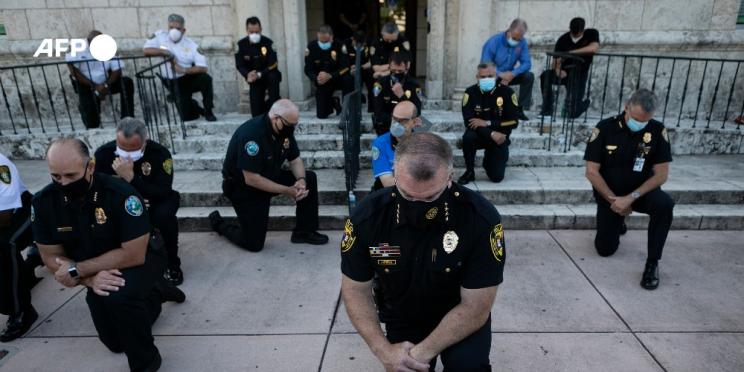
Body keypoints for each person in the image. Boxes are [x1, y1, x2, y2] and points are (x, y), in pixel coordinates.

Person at [341, 132, 505, 371]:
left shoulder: (480, 219)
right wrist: (385, 351)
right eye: (407, 195)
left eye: (430, 197)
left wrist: (419, 354)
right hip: (402, 314)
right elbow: (355, 290)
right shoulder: (368, 218)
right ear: (395, 172)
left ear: (450, 178)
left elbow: (477, 306)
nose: (416, 206)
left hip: (459, 314)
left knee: (468, 367)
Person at [32, 138, 185, 372]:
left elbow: (133, 253)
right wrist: (89, 278)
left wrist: (78, 270)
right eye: (56, 176)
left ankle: (147, 362)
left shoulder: (120, 193)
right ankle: (155, 294)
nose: (63, 183)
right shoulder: (44, 202)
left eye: (71, 176)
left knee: (119, 296)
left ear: (90, 166)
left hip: (143, 257)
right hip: (93, 267)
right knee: (115, 342)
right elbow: (50, 255)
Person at [209, 99, 329, 251]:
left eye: (295, 124)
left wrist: (301, 180)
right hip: (244, 187)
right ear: (275, 118)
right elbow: (252, 179)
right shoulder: (252, 135)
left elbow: (295, 160)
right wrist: (287, 190)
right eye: (290, 124)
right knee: (253, 244)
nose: (293, 128)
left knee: (309, 177)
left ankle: (304, 232)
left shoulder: (283, 129)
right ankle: (219, 224)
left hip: (269, 175)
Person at [583, 89, 674, 290]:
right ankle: (618, 221)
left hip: (640, 193)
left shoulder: (657, 131)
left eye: (645, 120)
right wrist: (614, 201)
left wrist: (630, 198)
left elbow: (661, 175)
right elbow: (591, 172)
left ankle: (652, 263)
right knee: (605, 249)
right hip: (611, 195)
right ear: (626, 107)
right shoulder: (605, 128)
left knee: (665, 204)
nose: (640, 124)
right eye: (636, 119)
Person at [93, 118, 183, 286]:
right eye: (122, 149)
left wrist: (131, 178)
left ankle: (172, 263)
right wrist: (132, 200)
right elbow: (97, 191)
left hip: (155, 200)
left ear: (144, 142)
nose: (127, 155)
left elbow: (163, 190)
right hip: (121, 204)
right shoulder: (103, 155)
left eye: (133, 150)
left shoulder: (159, 154)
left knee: (164, 214)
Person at [143, 13, 217, 122]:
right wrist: (165, 52)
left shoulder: (191, 45)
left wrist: (183, 69)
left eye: (177, 28)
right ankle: (195, 106)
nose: (174, 31)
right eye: (171, 27)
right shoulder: (160, 36)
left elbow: (203, 67)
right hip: (171, 81)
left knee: (206, 78)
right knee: (187, 118)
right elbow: (146, 50)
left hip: (186, 78)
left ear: (183, 30)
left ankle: (208, 110)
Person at [0, 154, 42, 342]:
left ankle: (22, 311)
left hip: (23, 211)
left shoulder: (2, 166)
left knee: (5, 245)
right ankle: (26, 271)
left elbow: (5, 217)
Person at [458, 63, 521, 185]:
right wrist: (491, 132)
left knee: (496, 177)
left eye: (490, 76)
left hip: (500, 138)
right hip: (481, 135)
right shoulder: (470, 93)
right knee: (468, 137)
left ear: (496, 76)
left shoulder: (507, 93)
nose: (486, 79)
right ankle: (469, 172)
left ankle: (489, 161)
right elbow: (469, 122)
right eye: (483, 77)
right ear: (477, 77)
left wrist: (487, 123)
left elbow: (514, 122)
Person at [66, 30, 134, 129]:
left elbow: (117, 70)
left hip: (106, 81)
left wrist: (105, 85)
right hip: (85, 83)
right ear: (89, 43)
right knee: (92, 124)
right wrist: (94, 86)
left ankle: (127, 119)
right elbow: (73, 71)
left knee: (126, 82)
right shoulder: (77, 48)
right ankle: (85, 109)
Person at [540, 17, 599, 118]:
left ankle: (584, 103)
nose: (575, 35)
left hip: (579, 74)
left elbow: (593, 48)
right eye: (573, 32)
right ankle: (547, 108)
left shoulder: (591, 33)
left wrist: (570, 53)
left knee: (573, 113)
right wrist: (558, 70)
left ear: (583, 30)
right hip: (565, 72)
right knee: (545, 76)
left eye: (578, 33)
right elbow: (555, 60)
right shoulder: (563, 39)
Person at [480, 18, 533, 120]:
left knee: (528, 76)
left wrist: (512, 73)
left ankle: (519, 110)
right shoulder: (493, 42)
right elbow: (485, 65)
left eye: (519, 39)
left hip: (509, 75)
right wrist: (500, 74)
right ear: (509, 31)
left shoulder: (522, 42)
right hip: (494, 75)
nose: (517, 41)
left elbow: (527, 63)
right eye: (514, 38)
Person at [235, 16, 282, 117]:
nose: (254, 34)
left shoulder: (268, 43)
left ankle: (276, 105)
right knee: (256, 113)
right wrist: (247, 74)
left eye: (257, 32)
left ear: (261, 30)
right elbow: (239, 64)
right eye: (251, 32)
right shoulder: (241, 45)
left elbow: (273, 63)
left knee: (274, 77)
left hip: (268, 75)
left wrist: (260, 74)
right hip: (254, 78)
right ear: (247, 31)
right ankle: (264, 109)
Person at [304, 24, 353, 119]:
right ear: (317, 35)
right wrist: (316, 78)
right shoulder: (312, 46)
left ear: (331, 37)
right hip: (322, 80)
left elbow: (346, 66)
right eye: (321, 41)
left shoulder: (339, 45)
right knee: (321, 115)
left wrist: (331, 75)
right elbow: (308, 69)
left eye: (326, 40)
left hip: (337, 77)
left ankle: (347, 109)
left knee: (348, 79)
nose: (323, 43)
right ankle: (334, 102)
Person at [370, 101, 422, 191]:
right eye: (394, 119)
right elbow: (388, 183)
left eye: (403, 121)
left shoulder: (423, 143)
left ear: (415, 122)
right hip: (390, 195)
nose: (396, 124)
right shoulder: (380, 143)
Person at [372, 51, 423, 135]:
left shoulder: (414, 85)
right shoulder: (380, 83)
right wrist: (397, 122)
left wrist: (402, 96)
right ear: (389, 67)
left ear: (407, 68)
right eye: (393, 70)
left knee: (421, 128)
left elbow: (417, 112)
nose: (397, 73)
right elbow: (378, 112)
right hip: (387, 124)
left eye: (400, 71)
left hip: (407, 125)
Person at [345, 30, 375, 113]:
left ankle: (372, 107)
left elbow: (373, 59)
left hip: (365, 69)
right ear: (353, 39)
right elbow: (344, 60)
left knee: (371, 82)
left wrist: (370, 63)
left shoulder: (369, 46)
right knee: (349, 80)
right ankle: (351, 105)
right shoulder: (347, 45)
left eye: (362, 42)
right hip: (353, 70)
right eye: (356, 41)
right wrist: (349, 67)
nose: (359, 44)